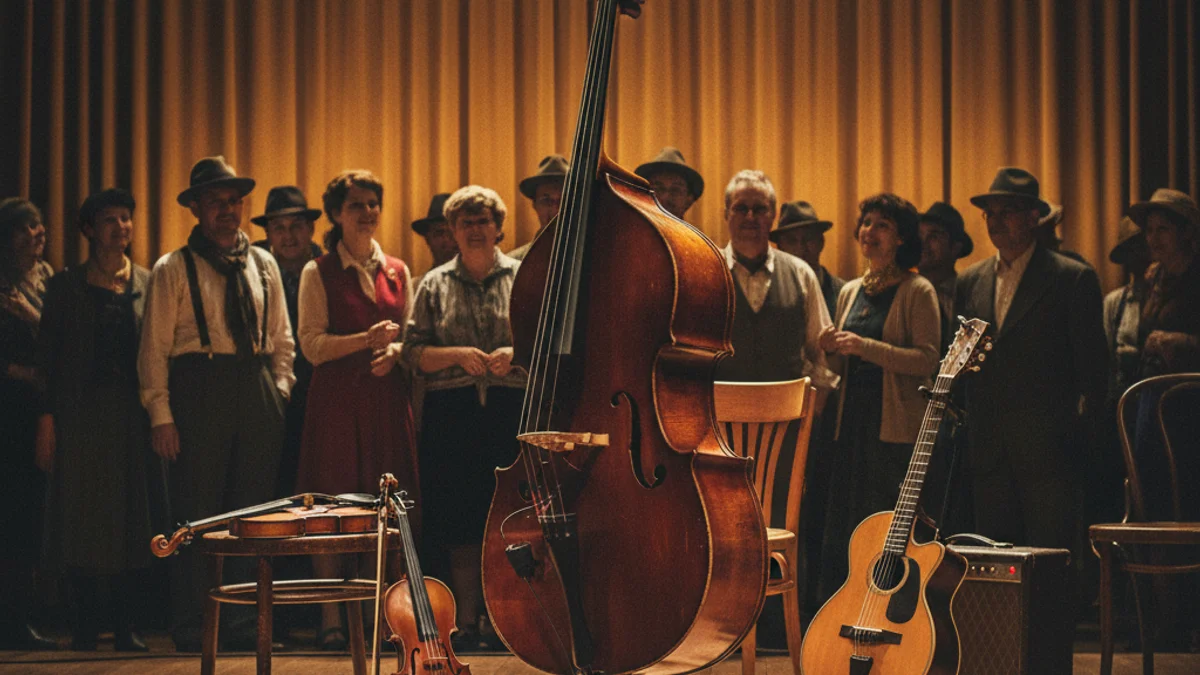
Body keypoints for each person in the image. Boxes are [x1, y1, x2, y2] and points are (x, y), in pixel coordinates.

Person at [138, 156, 294, 651]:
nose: (228, 210)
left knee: (255, 513)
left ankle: (248, 624)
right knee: (196, 512)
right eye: (216, 202)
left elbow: (282, 338)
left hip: (255, 383)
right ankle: (191, 623)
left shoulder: (263, 262)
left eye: (234, 201)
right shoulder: (173, 267)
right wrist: (161, 414)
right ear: (197, 209)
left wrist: (280, 389)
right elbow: (154, 348)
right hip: (199, 385)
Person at [294, 169, 417, 649]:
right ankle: (331, 618)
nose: (366, 213)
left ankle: (380, 614)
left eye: (373, 204)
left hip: (386, 401)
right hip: (337, 405)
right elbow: (311, 345)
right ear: (336, 214)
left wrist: (397, 352)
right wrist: (365, 342)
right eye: (356, 205)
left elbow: (411, 337)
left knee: (383, 507)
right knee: (332, 502)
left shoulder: (399, 270)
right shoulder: (317, 270)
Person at [955, 167, 1106, 556]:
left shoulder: (1071, 278)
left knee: (1050, 559)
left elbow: (1094, 372)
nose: (996, 220)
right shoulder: (970, 280)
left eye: (1007, 211)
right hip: (989, 447)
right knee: (995, 563)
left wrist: (1078, 439)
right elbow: (959, 363)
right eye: (990, 212)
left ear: (1033, 218)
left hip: (1049, 450)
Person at [35, 189, 159, 651]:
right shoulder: (64, 287)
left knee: (131, 518)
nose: (120, 228)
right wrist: (47, 421)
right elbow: (48, 361)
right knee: (82, 519)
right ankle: (86, 625)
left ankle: (127, 626)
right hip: (81, 415)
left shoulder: (148, 282)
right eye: (110, 220)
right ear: (89, 229)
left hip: (133, 415)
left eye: (126, 219)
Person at [402, 185, 524, 651]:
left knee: (507, 520)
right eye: (465, 222)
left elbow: (548, 345)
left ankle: (506, 622)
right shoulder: (432, 283)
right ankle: (466, 623)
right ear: (451, 231)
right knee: (459, 520)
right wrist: (455, 354)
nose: (475, 229)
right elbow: (412, 354)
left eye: (483, 220)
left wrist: (514, 354)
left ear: (499, 228)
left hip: (510, 409)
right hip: (450, 414)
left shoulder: (523, 277)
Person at [817, 192, 941, 601]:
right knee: (846, 523)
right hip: (850, 423)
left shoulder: (918, 289)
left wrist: (863, 346)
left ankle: (885, 613)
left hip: (894, 429)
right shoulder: (849, 290)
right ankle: (841, 612)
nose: (870, 232)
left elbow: (927, 361)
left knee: (884, 526)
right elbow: (839, 368)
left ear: (902, 238)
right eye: (867, 223)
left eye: (882, 225)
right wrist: (830, 348)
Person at [0, 197, 56, 651]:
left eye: (38, 229)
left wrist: (31, 317)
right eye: (24, 230)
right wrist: (22, 372)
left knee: (27, 518)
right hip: (7, 408)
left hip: (39, 412)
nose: (35, 238)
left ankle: (20, 618)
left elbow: (63, 344)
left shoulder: (50, 280)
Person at [251, 185, 323, 498]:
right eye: (278, 228)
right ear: (268, 234)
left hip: (320, 387)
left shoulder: (328, 267)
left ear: (311, 229)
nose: (288, 236)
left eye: (296, 226)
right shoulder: (253, 270)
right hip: (271, 388)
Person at [768, 200, 844, 319]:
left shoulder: (843, 294)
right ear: (780, 248)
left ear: (821, 242)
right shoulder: (768, 292)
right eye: (791, 241)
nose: (801, 247)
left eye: (808, 238)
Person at [917, 201, 974, 353]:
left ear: (955, 247)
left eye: (933, 236)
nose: (923, 243)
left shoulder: (969, 294)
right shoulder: (902, 291)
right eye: (920, 235)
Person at [509, 154, 568, 260]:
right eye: (546, 201)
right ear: (535, 205)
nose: (556, 209)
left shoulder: (598, 258)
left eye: (564, 200)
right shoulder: (515, 262)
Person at [634, 147, 704, 220]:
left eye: (675, 190)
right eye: (658, 189)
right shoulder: (629, 230)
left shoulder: (691, 232)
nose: (665, 197)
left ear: (689, 200)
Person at [410, 192, 458, 288]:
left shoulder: (479, 287)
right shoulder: (415, 287)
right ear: (428, 239)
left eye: (452, 234)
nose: (446, 241)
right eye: (439, 233)